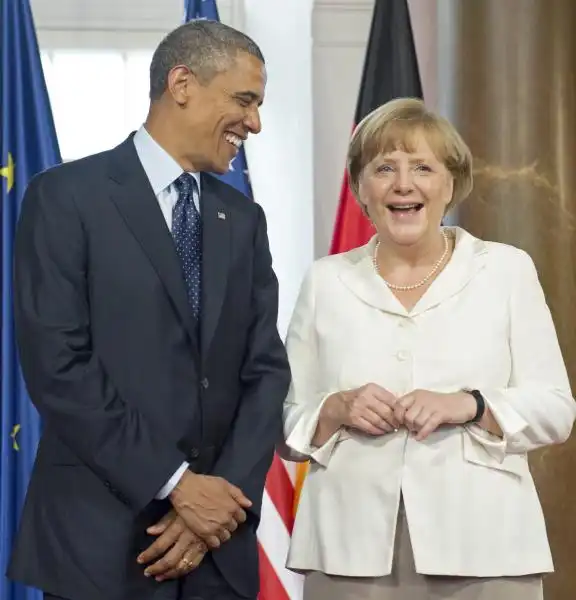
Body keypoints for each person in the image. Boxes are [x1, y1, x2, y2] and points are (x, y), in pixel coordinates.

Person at [8, 19, 290, 600]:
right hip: (99, 548)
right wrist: (177, 484)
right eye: (245, 100)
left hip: (217, 551)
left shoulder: (243, 220)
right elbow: (58, 366)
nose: (254, 123)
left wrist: (219, 503)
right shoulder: (65, 198)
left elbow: (265, 372)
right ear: (182, 83)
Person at [280, 97, 576, 600]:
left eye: (422, 167)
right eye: (384, 169)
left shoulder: (505, 270)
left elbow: (556, 409)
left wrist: (471, 404)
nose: (403, 184)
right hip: (349, 551)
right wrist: (335, 407)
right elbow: (285, 423)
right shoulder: (325, 281)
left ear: (451, 185)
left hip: (486, 547)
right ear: (360, 188)